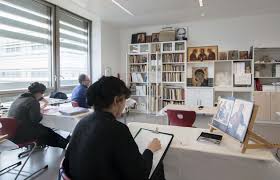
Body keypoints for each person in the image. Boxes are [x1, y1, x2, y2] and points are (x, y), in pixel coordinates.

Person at [62, 76, 165, 180]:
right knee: (157, 164)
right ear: (116, 100)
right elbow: (140, 174)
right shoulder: (118, 129)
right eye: (125, 100)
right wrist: (150, 149)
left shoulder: (82, 122)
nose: (125, 104)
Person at [8, 82, 69, 149]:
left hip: (12, 133)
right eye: (42, 93)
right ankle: (68, 145)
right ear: (39, 93)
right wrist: (40, 112)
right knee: (48, 133)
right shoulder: (33, 102)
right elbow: (36, 119)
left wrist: (41, 101)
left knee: (46, 131)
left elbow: (36, 99)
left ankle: (66, 143)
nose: (42, 95)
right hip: (23, 134)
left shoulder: (20, 98)